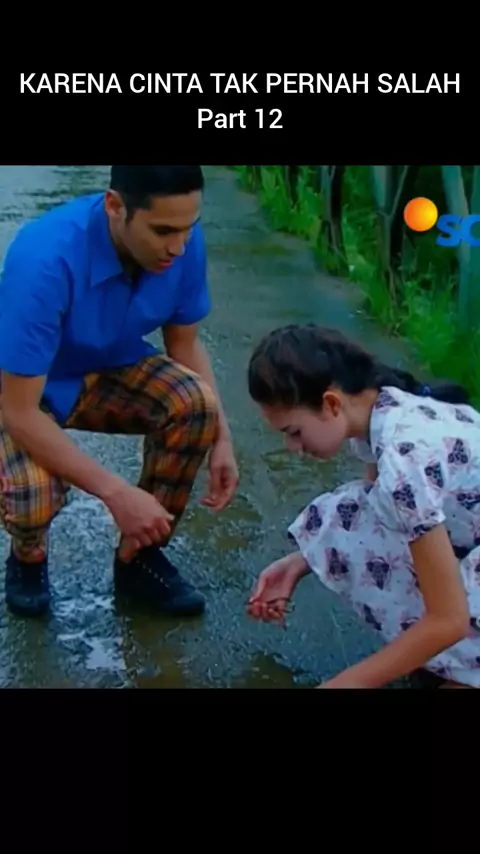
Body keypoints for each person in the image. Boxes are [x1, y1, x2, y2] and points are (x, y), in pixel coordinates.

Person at [0, 165, 239, 619]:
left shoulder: (182, 241)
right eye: (163, 231)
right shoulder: (44, 258)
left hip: (108, 365)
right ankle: (28, 554)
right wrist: (115, 493)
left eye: (188, 227)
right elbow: (19, 412)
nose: (178, 247)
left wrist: (222, 439)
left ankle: (139, 556)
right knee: (33, 493)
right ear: (115, 206)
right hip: (23, 386)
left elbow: (184, 344)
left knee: (197, 406)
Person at [246, 323, 480, 689]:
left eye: (294, 432)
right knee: (350, 511)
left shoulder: (404, 461)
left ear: (331, 403)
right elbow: (372, 518)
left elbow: (448, 620)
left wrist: (346, 683)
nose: (293, 448)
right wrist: (300, 561)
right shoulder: (381, 410)